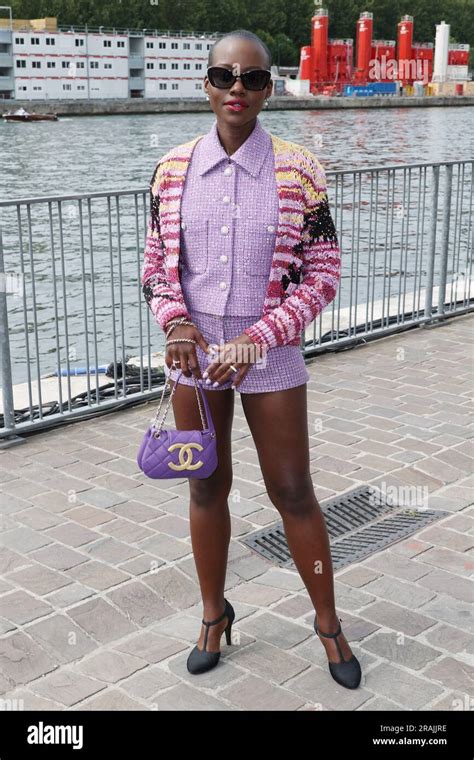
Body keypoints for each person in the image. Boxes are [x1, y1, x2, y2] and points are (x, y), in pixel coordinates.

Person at [141, 29, 361, 690]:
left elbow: (322, 274)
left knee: (293, 490)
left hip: (269, 353)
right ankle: (214, 615)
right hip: (194, 356)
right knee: (204, 483)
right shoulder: (172, 169)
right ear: (205, 84)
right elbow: (154, 268)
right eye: (225, 76)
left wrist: (260, 337)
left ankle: (328, 623)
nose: (238, 89)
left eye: (253, 78)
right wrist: (176, 321)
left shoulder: (299, 169)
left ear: (271, 87)